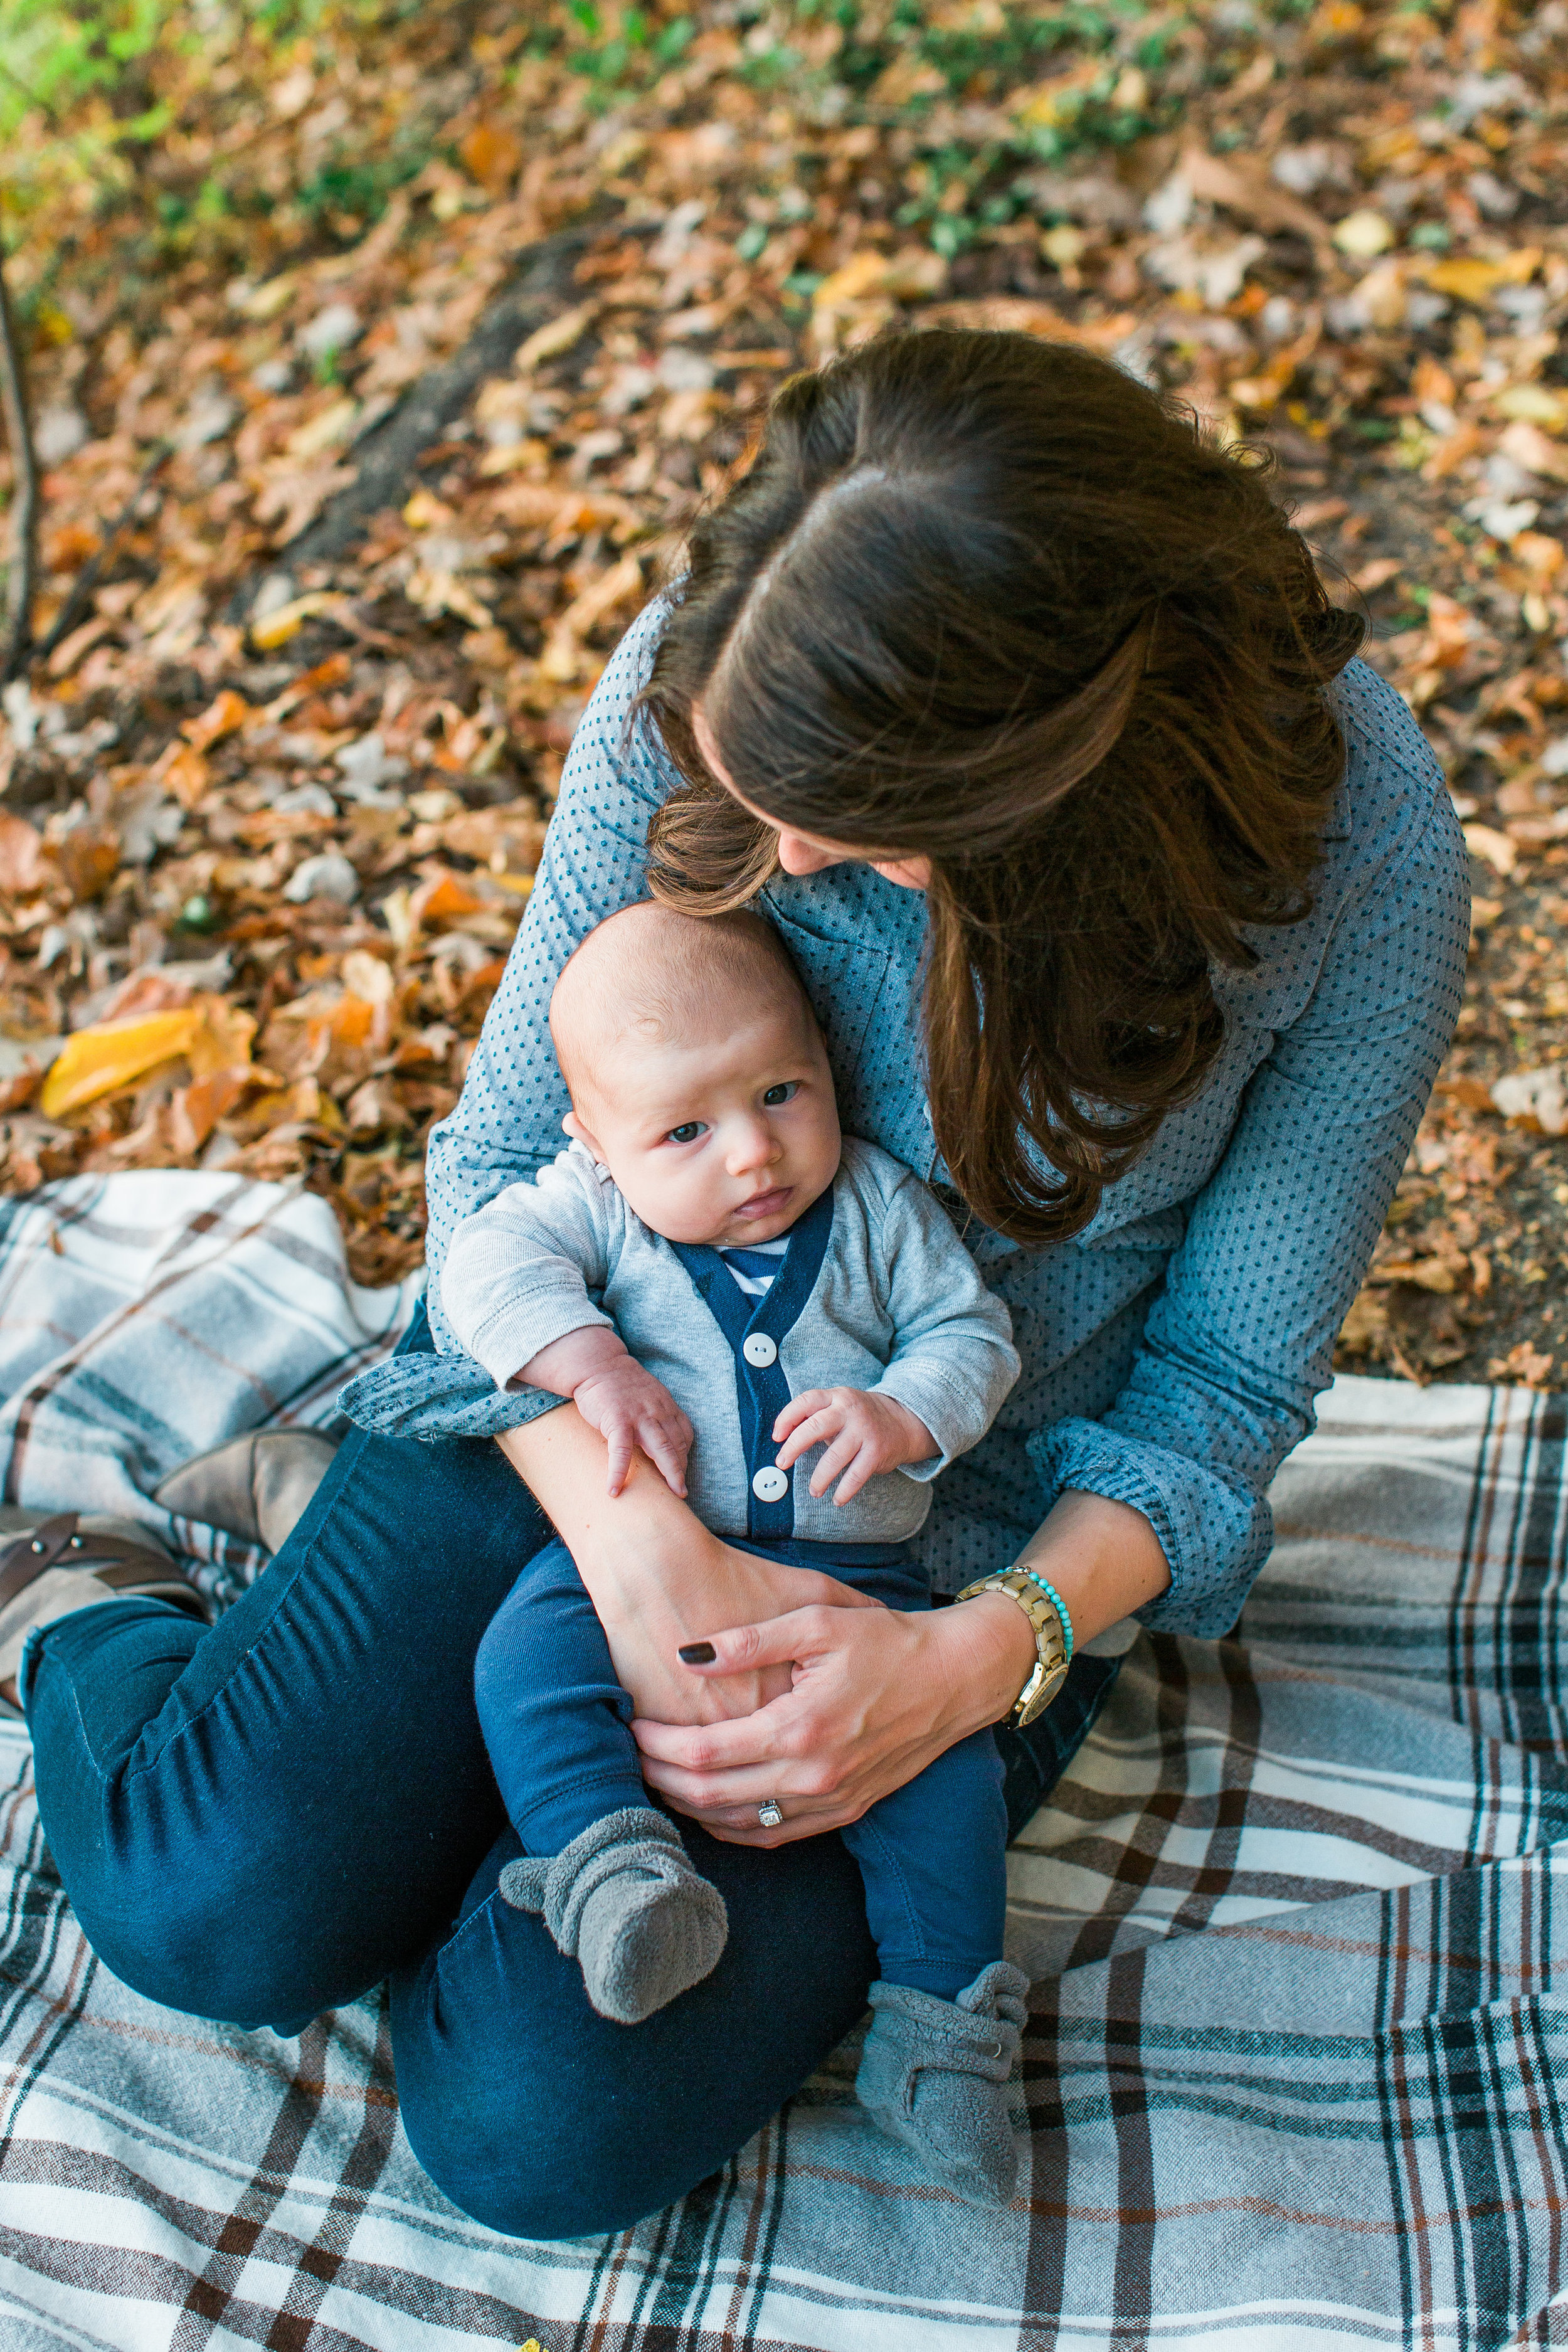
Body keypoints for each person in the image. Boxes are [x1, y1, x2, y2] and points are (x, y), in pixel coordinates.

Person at [14, 329, 1468, 2240]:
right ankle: (96, 1596)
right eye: (751, 796)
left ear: (1033, 780)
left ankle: (429, 1745)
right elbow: (493, 1170)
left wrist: (967, 1659)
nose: (779, 859)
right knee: (215, 1900)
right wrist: (636, 1555)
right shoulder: (723, 686)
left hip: (934, 1540)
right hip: (573, 1410)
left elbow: (1211, 1398)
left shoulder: (1357, 853)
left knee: (538, 2120)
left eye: (842, 823)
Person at [351, 898, 1029, 2199]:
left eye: (782, 1091)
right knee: (528, 1663)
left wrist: (903, 1412)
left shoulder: (879, 1207)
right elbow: (481, 1266)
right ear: (596, 1144)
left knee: (949, 1784)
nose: (751, 1155)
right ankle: (610, 1870)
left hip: (861, 1588)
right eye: (684, 1129)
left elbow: (972, 1335)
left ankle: (944, 2036)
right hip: (644, 1563)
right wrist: (585, 1360)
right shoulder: (593, 1210)